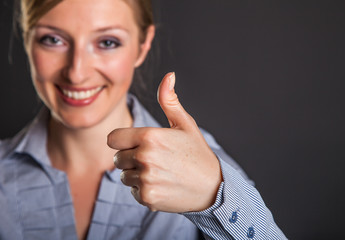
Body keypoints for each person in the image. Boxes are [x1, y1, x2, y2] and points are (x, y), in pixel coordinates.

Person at [0, 0, 287, 239]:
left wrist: (215, 198)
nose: (77, 73)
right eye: (53, 39)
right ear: (26, 38)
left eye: (107, 42)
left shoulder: (209, 172)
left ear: (142, 45)